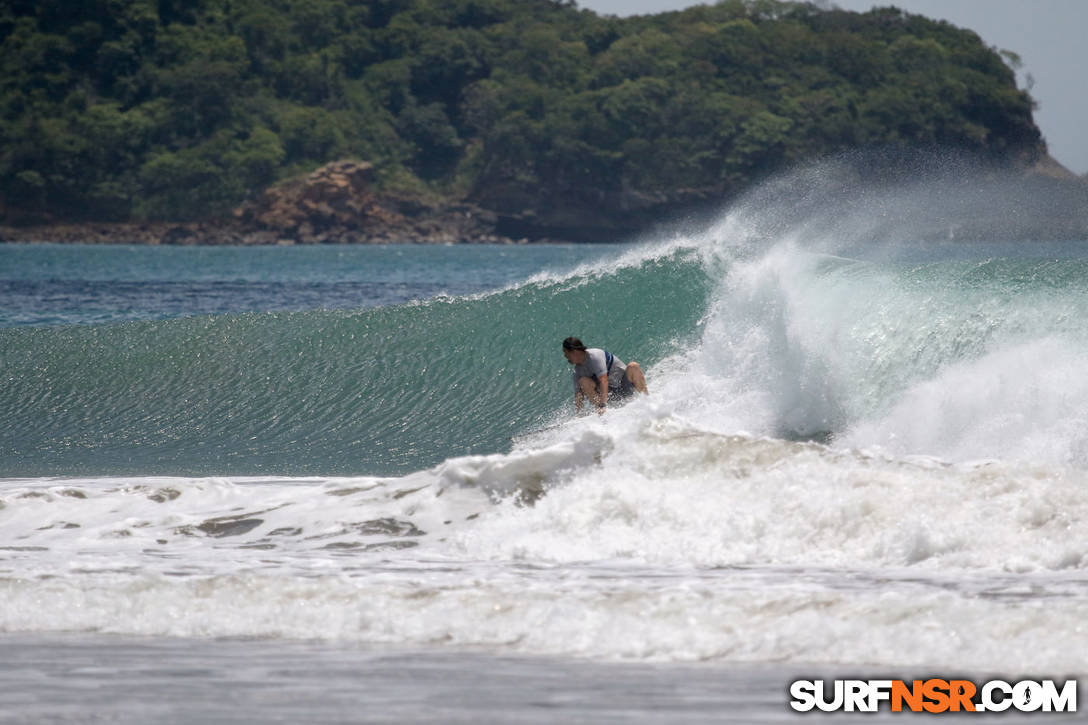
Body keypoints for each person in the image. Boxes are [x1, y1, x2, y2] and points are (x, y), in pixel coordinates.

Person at [562, 336, 648, 414]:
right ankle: (602, 413)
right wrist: (579, 416)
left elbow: (604, 380)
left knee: (633, 366)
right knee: (583, 382)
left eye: (566, 352)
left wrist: (603, 404)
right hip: (610, 396)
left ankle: (648, 400)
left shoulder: (594, 356)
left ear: (574, 351)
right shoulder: (578, 371)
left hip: (625, 386)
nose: (565, 356)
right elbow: (578, 396)